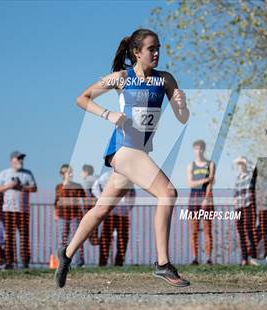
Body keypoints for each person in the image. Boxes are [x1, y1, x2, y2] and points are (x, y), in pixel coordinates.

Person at [55, 29, 190, 288]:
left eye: (159, 47)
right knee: (168, 193)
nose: (157, 53)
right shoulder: (121, 78)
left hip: (138, 153)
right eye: (151, 49)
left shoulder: (166, 80)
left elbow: (182, 118)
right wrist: (108, 115)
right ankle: (163, 263)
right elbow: (81, 99)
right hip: (124, 149)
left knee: (101, 209)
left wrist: (182, 105)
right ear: (137, 53)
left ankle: (67, 253)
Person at [0, 151, 37, 269]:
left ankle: (25, 262)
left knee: (24, 237)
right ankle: (9, 262)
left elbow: (34, 188)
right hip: (8, 211)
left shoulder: (28, 173)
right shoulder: (4, 173)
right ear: (12, 160)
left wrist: (21, 187)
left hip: (23, 211)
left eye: (22, 158)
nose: (21, 161)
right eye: (18, 158)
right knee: (9, 237)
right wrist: (9, 186)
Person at [92, 171, 135, 266]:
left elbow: (132, 194)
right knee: (105, 239)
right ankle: (102, 263)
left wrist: (127, 208)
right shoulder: (106, 176)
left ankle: (119, 263)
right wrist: (103, 202)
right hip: (110, 213)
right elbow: (95, 188)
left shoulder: (128, 177)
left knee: (123, 240)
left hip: (123, 214)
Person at [186, 140, 215, 265]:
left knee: (208, 229)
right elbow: (190, 183)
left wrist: (206, 198)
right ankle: (195, 258)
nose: (199, 151)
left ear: (204, 149)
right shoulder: (190, 165)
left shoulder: (211, 164)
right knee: (193, 230)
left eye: (201, 149)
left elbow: (211, 183)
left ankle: (208, 258)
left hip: (206, 197)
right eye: (196, 149)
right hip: (193, 198)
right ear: (194, 150)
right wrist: (206, 179)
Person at [54, 164, 86, 267]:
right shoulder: (59, 187)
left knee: (76, 240)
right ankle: (61, 263)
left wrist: (86, 213)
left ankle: (78, 263)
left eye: (71, 172)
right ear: (62, 174)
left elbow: (85, 200)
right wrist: (55, 213)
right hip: (62, 217)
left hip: (75, 216)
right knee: (61, 240)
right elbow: (56, 202)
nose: (70, 174)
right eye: (68, 172)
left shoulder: (78, 186)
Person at [232, 156, 258, 266]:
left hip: (249, 205)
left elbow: (255, 168)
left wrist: (246, 160)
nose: (240, 165)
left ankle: (253, 256)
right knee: (241, 232)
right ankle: (244, 258)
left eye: (242, 163)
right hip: (238, 208)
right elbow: (235, 193)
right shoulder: (237, 178)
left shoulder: (250, 175)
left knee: (249, 230)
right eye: (239, 164)